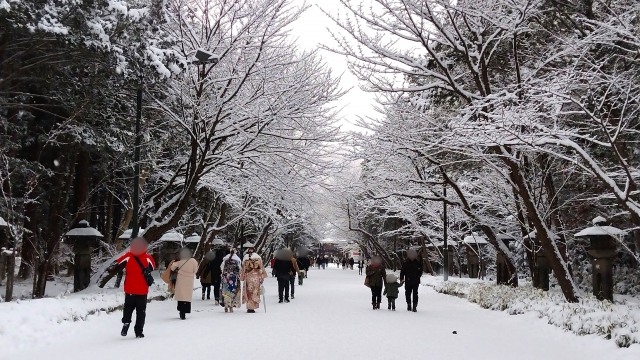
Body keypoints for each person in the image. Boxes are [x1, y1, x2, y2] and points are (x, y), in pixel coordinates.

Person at [117, 237, 156, 338]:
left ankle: (126, 322)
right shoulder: (148, 258)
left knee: (128, 308)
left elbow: (118, 264)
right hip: (142, 290)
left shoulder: (128, 256)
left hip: (129, 289)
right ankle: (139, 331)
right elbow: (153, 267)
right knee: (141, 311)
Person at [171, 247, 198, 320]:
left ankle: (181, 311)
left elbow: (172, 268)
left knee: (181, 295)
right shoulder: (193, 261)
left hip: (181, 279)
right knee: (187, 296)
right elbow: (195, 270)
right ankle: (185, 311)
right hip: (189, 280)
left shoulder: (180, 261)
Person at [240, 246, 268, 313]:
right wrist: (261, 277)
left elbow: (243, 269)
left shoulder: (246, 258)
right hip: (256, 277)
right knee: (255, 291)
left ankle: (249, 307)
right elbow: (260, 268)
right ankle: (253, 306)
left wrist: (242, 277)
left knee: (248, 292)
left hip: (248, 277)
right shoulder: (258, 258)